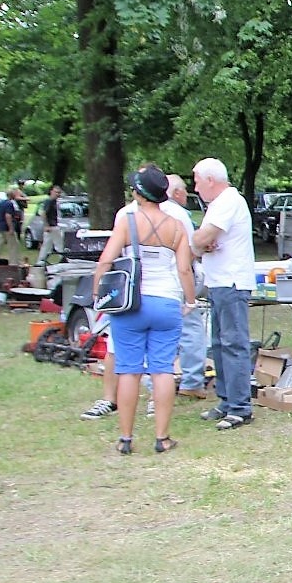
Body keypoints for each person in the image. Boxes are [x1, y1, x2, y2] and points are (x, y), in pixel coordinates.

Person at [92, 165, 197, 455]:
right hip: (166, 302)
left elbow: (106, 260)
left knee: (128, 370)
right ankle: (162, 437)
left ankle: (126, 438)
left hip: (131, 302)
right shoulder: (176, 226)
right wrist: (190, 300)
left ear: (138, 193)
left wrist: (97, 292)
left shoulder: (127, 222)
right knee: (163, 370)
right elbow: (184, 269)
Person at [191, 157, 257, 430]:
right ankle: (226, 401)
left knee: (233, 344)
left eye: (196, 181)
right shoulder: (218, 205)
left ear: (210, 180)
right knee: (218, 344)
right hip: (219, 282)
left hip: (231, 283)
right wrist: (201, 243)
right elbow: (202, 241)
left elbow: (199, 239)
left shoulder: (229, 200)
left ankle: (241, 407)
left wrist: (199, 243)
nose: (194, 188)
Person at [165, 175, 210, 398]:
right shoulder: (178, 214)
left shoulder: (142, 212)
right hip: (178, 278)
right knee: (191, 328)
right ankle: (192, 381)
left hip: (154, 284)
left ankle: (157, 379)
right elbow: (191, 249)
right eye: (184, 190)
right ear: (176, 193)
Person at [0, 185, 25, 264]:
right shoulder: (9, 204)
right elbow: (8, 216)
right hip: (7, 228)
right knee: (13, 246)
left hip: (0, 228)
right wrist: (11, 228)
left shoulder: (1, 203)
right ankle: (14, 262)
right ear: (12, 195)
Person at [37, 185, 66, 266]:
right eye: (56, 192)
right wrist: (46, 225)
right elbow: (43, 213)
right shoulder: (49, 201)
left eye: (59, 192)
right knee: (59, 244)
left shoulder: (54, 202)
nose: (58, 194)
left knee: (47, 245)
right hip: (52, 227)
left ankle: (40, 262)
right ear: (51, 192)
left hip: (52, 227)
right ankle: (63, 259)